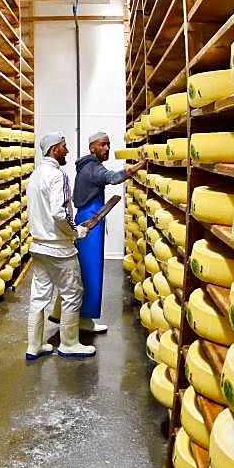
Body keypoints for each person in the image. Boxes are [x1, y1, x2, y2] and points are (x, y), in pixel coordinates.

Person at [66, 131, 147, 332]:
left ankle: (83, 317)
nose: (107, 148)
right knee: (90, 271)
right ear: (92, 147)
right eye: (102, 145)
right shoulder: (93, 168)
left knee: (86, 270)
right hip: (90, 222)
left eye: (108, 145)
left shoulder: (86, 166)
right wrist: (138, 166)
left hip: (89, 218)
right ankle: (82, 320)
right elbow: (113, 178)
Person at [26, 132, 96, 359]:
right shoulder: (58, 175)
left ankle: (33, 346)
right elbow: (59, 213)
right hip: (59, 248)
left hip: (38, 245)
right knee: (73, 293)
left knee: (39, 296)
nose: (67, 151)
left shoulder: (35, 175)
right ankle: (69, 343)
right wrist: (75, 231)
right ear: (54, 149)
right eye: (64, 147)